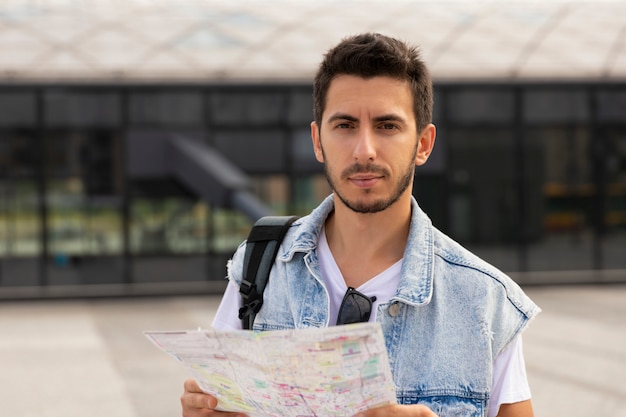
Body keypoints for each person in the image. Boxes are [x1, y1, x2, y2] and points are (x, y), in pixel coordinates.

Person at [181, 32, 540, 417]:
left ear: (423, 143)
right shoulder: (259, 267)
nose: (364, 150)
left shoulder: (483, 301)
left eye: (387, 126)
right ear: (318, 141)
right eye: (345, 125)